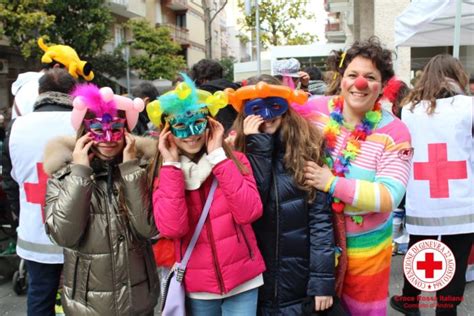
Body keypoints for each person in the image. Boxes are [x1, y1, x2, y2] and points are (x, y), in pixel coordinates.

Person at [304, 37, 412, 315]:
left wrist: (331, 183)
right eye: (352, 75)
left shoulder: (395, 132)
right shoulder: (313, 109)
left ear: (383, 85)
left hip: (366, 250)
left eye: (370, 77)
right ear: (341, 78)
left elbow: (389, 196)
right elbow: (273, 120)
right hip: (314, 242)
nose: (359, 84)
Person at [148, 74, 266, 315]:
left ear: (210, 123)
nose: (191, 134)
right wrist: (171, 166)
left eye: (197, 123)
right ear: (167, 132)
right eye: (180, 126)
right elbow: (172, 228)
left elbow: (249, 211)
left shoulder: (235, 160)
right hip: (197, 287)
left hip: (244, 280)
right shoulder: (163, 174)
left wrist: (218, 158)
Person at [43, 84, 159, 315]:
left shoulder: (143, 171)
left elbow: (149, 229)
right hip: (87, 304)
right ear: (84, 133)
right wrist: (79, 174)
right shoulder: (63, 175)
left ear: (126, 132)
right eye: (97, 129)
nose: (107, 139)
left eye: (115, 129)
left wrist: (130, 170)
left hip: (138, 299)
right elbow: (64, 235)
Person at [226, 76, 337, 315]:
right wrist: (258, 146)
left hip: (299, 285)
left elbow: (320, 221)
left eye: (273, 105)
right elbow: (250, 207)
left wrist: (321, 282)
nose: (265, 114)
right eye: (256, 107)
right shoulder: (234, 153)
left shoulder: (307, 147)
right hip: (253, 289)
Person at [390, 54, 474, 316]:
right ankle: (446, 309)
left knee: (421, 253)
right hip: (461, 199)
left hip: (423, 200)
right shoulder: (470, 107)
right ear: (458, 75)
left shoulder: (408, 111)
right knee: (456, 261)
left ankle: (411, 302)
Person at [2, 68, 76, 316]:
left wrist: (17, 219)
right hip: (79, 234)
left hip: (35, 231)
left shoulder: (16, 127)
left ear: (40, 92)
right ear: (73, 93)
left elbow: (11, 182)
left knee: (40, 297)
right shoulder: (83, 124)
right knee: (81, 299)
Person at [10, 37, 93, 119]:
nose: (70, 78)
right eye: (69, 72)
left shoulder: (29, 86)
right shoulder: (36, 88)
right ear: (56, 67)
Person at [190, 58, 241, 133]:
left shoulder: (201, 95)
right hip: (240, 136)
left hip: (216, 137)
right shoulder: (237, 89)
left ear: (201, 79)